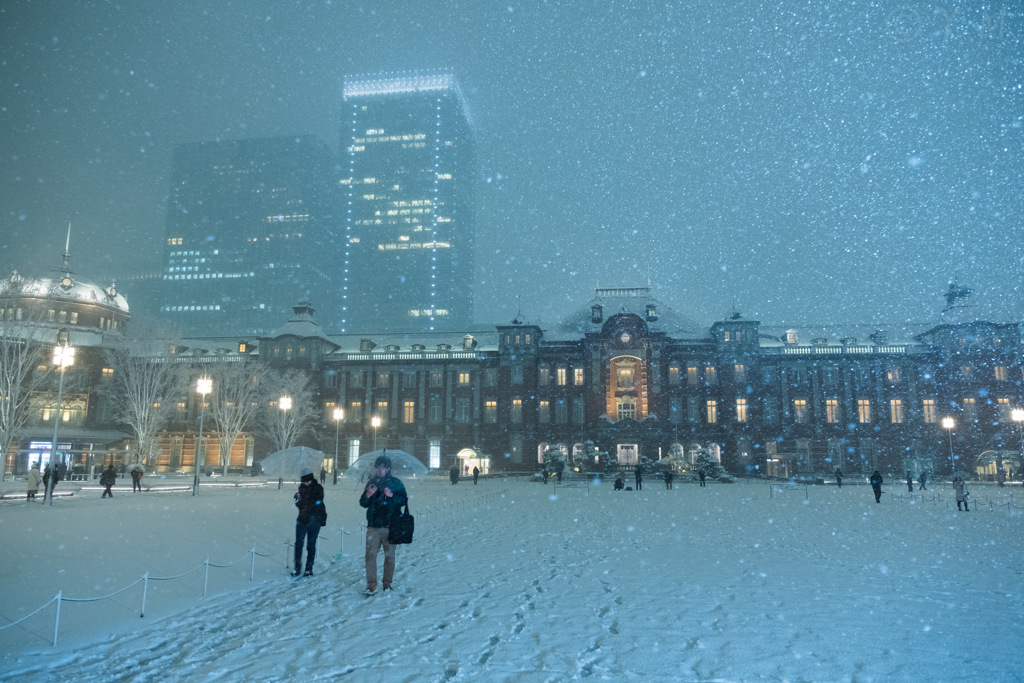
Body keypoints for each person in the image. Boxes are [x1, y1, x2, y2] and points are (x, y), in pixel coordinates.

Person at [360, 454, 407, 595]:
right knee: (370, 557)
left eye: (383, 467)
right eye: (378, 467)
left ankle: (387, 584)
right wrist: (368, 494)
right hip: (373, 526)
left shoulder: (396, 483)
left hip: (390, 526)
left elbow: (404, 500)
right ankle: (371, 585)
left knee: (390, 557)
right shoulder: (371, 482)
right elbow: (363, 503)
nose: (380, 470)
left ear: (388, 469)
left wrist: (392, 495)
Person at [293, 466, 326, 577]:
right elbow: (299, 505)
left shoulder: (318, 488)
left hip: (314, 519)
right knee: (298, 543)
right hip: (302, 518)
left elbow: (318, 502)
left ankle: (309, 568)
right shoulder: (301, 488)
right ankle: (297, 567)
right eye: (304, 481)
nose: (306, 483)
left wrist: (306, 503)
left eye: (308, 481)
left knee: (311, 544)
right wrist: (297, 499)